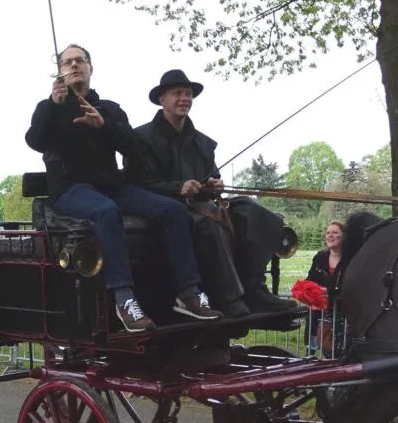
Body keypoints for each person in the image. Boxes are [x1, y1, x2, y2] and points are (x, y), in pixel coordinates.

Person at [25, 44, 222, 332]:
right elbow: (35, 141)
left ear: (91, 68)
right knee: (106, 211)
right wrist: (54, 106)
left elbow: (132, 146)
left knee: (172, 209)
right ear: (60, 72)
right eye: (67, 62)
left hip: (111, 187)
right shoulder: (48, 109)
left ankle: (188, 292)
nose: (75, 65)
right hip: (70, 190)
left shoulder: (110, 109)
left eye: (80, 60)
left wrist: (103, 125)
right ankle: (124, 298)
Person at [124, 69, 296, 316]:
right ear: (162, 99)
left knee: (257, 214)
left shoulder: (203, 142)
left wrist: (215, 184)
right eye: (177, 94)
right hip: (164, 210)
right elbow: (136, 185)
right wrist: (178, 187)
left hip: (203, 205)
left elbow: (210, 176)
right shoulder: (141, 139)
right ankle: (229, 298)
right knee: (207, 224)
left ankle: (255, 290)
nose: (184, 99)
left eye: (188, 94)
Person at [305, 221, 345, 356]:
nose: (330, 236)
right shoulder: (320, 257)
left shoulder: (350, 259)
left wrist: (328, 291)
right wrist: (304, 289)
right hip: (317, 312)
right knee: (311, 348)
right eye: (328, 233)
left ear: (343, 236)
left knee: (336, 349)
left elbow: (350, 286)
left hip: (341, 313)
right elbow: (310, 279)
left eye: (335, 232)